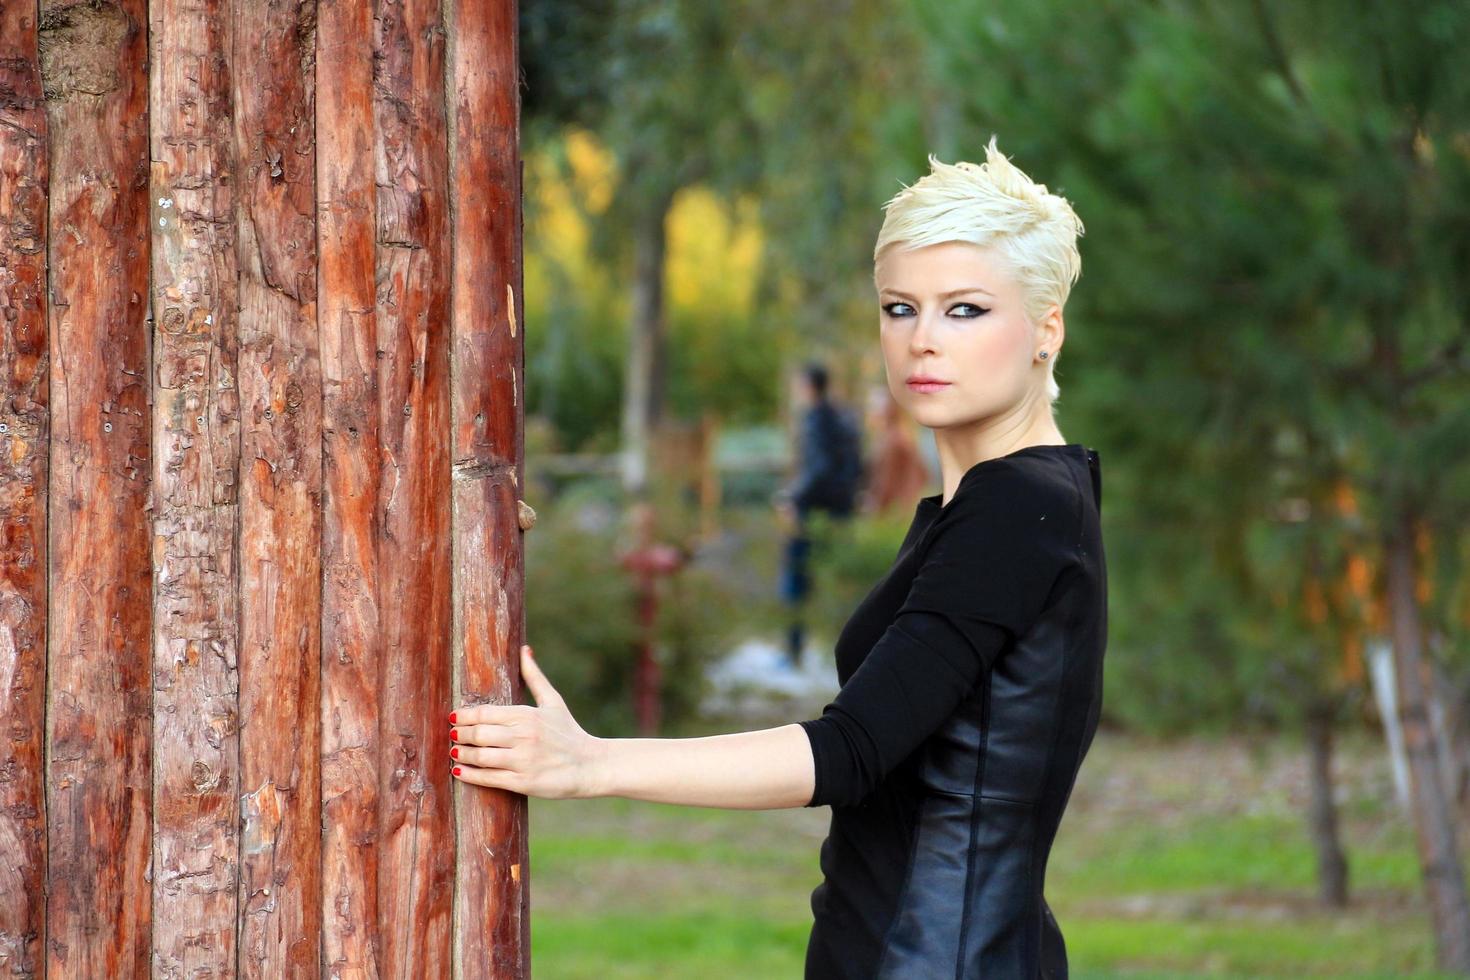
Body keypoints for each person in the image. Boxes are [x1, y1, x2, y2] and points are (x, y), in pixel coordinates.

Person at [445, 134, 1105, 979]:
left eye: (965, 309)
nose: (921, 341)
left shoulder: (1018, 505)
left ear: (1046, 328)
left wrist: (591, 763)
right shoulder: (1011, 500)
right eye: (899, 307)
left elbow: (850, 753)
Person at [773, 361, 864, 668]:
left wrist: (792, 496)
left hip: (812, 514)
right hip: (841, 512)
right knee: (841, 582)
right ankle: (847, 652)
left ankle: (793, 651)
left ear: (808, 386)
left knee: (796, 582)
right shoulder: (843, 418)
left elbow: (818, 469)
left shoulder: (815, 420)